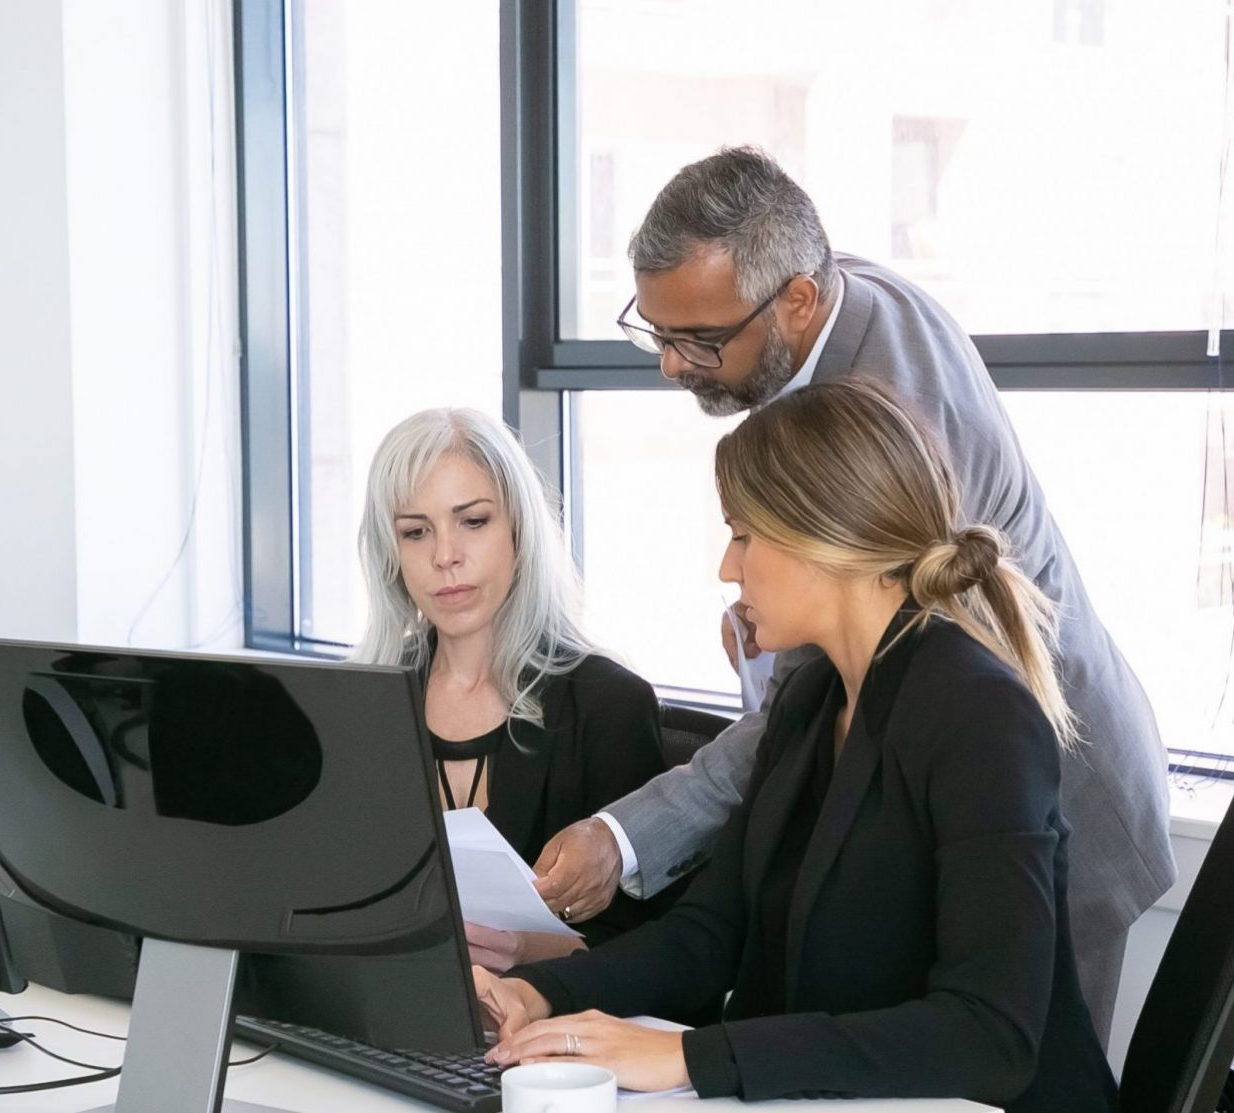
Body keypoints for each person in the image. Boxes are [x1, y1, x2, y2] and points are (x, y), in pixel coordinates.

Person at [530, 147, 1173, 1041]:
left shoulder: (890, 412)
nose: (671, 367)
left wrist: (627, 837)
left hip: (1055, 779)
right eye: (655, 329)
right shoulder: (823, 300)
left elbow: (984, 1046)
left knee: (1022, 1060)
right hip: (951, 761)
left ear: (797, 300)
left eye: (700, 340)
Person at [476, 380, 1118, 1111]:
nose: (727, 566)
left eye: (744, 534)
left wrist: (691, 1053)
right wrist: (537, 990)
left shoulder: (979, 716)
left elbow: (988, 1035)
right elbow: (709, 933)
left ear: (827, 537)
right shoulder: (812, 700)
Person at [353, 407, 670, 970]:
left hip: (551, 1040)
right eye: (415, 531)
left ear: (519, 531)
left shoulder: (607, 705)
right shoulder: (363, 703)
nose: (445, 555)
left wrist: (532, 951)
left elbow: (663, 949)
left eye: (473, 521)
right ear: (391, 554)